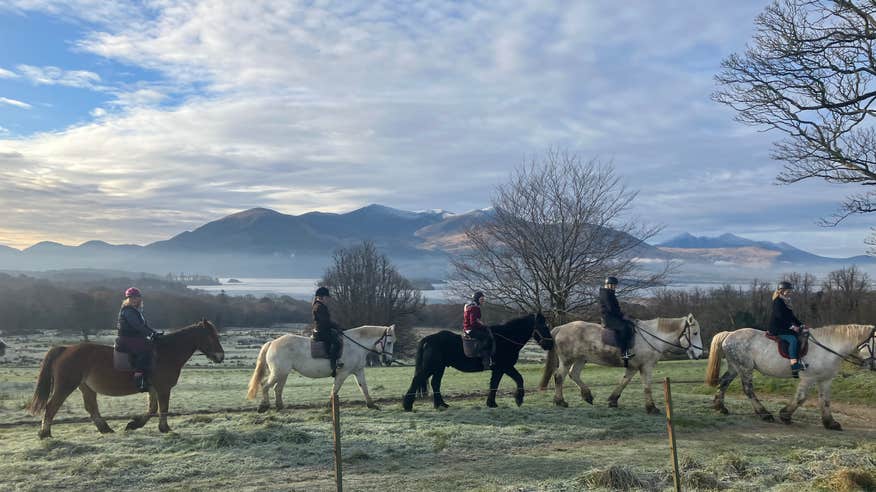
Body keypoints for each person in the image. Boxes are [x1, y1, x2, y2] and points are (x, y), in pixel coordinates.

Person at [116, 287, 161, 392]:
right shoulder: (128, 311)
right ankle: (138, 377)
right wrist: (151, 334)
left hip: (134, 338)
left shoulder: (136, 310)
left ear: (140, 298)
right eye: (131, 298)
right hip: (127, 338)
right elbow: (137, 326)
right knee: (147, 349)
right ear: (128, 299)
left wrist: (154, 333)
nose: (134, 299)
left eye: (136, 297)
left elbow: (144, 326)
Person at [768, 281, 806, 377]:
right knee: (793, 339)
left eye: (790, 291)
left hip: (784, 326)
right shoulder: (778, 301)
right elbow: (780, 316)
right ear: (781, 291)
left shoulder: (786, 301)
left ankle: (799, 360)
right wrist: (792, 326)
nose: (790, 293)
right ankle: (794, 365)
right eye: (788, 291)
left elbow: (792, 317)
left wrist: (801, 325)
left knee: (800, 337)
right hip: (777, 328)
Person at [599, 276, 635, 367]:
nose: (615, 287)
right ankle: (623, 353)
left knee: (630, 324)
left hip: (613, 316)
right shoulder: (606, 294)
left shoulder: (610, 293)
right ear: (608, 285)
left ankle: (628, 349)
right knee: (624, 328)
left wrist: (624, 315)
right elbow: (611, 309)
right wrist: (622, 315)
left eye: (615, 285)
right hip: (609, 318)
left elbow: (616, 308)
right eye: (613, 285)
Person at [312, 287, 344, 376]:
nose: (328, 299)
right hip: (321, 332)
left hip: (322, 330)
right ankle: (333, 365)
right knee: (337, 343)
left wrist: (337, 327)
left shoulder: (319, 305)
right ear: (322, 297)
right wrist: (337, 327)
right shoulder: (320, 307)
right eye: (327, 297)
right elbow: (325, 322)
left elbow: (327, 321)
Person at [463, 291, 493, 368]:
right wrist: (484, 326)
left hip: (468, 329)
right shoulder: (474, 308)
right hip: (471, 330)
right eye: (481, 299)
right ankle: (484, 358)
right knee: (487, 338)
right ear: (477, 299)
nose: (483, 300)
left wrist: (482, 325)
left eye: (483, 299)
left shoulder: (471, 306)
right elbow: (473, 322)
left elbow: (476, 320)